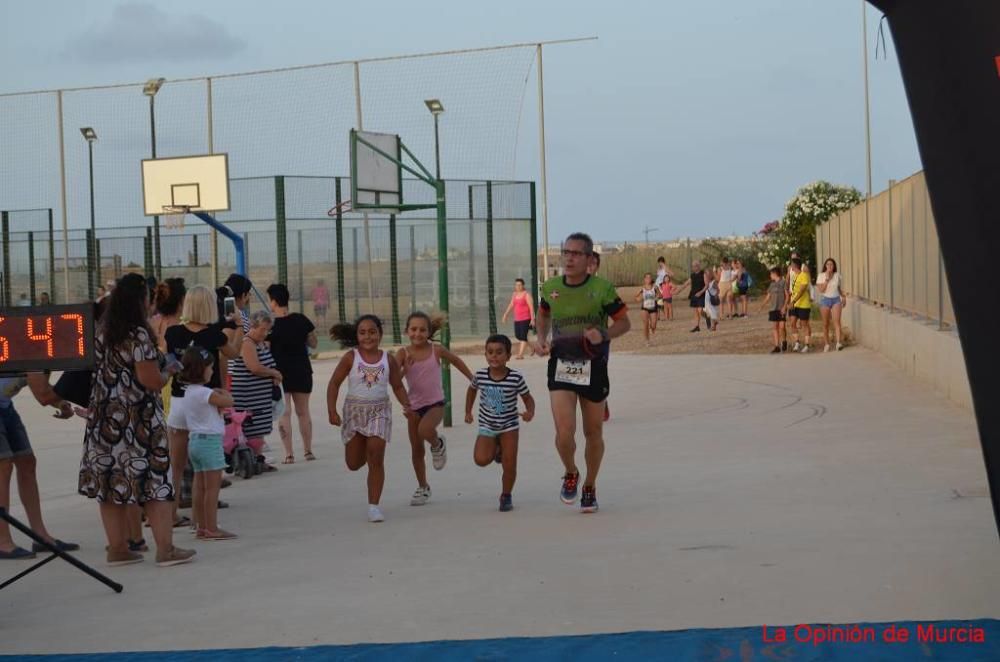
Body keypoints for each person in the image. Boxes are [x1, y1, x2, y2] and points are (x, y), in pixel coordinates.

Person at [78, 273, 195, 567]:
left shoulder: (101, 331)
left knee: (109, 481)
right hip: (138, 420)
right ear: (141, 301)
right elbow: (150, 380)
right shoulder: (139, 335)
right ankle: (165, 549)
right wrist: (170, 371)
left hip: (104, 418)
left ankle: (117, 548)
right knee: (155, 483)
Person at [532, 232, 630, 513]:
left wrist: (605, 334)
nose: (569, 258)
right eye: (566, 252)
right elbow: (544, 314)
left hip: (593, 365)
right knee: (564, 432)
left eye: (576, 253)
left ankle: (590, 485)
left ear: (589, 259)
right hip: (561, 365)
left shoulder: (602, 289)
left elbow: (624, 323)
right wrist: (541, 338)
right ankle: (571, 471)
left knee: (593, 432)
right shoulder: (550, 287)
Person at [165, 285, 242, 521]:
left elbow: (168, 361)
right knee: (206, 463)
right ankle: (204, 518)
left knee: (175, 465)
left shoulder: (173, 333)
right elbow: (234, 354)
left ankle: (170, 513)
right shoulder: (214, 335)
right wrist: (238, 327)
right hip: (206, 401)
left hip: (180, 399)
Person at [327, 315, 411, 523]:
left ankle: (374, 506)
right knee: (354, 463)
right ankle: (363, 446)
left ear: (380, 335)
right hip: (354, 413)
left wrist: (407, 405)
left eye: (372, 332)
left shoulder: (388, 359)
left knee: (377, 457)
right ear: (357, 335)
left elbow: (397, 386)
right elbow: (334, 384)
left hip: (379, 412)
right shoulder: (350, 357)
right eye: (363, 332)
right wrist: (332, 410)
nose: (368, 336)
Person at [396, 312, 473, 506]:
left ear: (429, 332)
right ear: (406, 331)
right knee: (416, 449)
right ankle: (423, 487)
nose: (418, 333)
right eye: (413, 329)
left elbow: (455, 360)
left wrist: (472, 378)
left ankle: (438, 444)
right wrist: (404, 370)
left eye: (423, 329)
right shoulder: (402, 353)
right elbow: (393, 379)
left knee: (425, 430)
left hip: (435, 404)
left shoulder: (436, 350)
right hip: (413, 407)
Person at [1, 374, 79, 559]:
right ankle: (3, 541)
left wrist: (59, 403)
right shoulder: (32, 347)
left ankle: (40, 535)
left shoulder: (40, 350)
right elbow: (42, 393)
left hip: (5, 406)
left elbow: (40, 383)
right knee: (3, 465)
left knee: (27, 462)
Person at [171, 346, 237, 540]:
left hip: (195, 442)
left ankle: (199, 524)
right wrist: (222, 393)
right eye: (210, 368)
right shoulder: (204, 393)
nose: (212, 371)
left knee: (199, 486)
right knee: (212, 488)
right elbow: (229, 401)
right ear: (201, 370)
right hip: (209, 443)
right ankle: (211, 527)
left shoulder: (189, 392)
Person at [465, 334, 535, 512]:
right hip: (487, 425)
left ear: (508, 356)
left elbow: (528, 398)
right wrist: (468, 411)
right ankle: (496, 450)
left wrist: (529, 412)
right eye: (490, 352)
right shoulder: (480, 375)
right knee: (480, 460)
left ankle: (506, 495)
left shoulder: (515, 378)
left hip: (509, 426)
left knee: (510, 463)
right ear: (485, 355)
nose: (494, 356)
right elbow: (471, 390)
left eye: (499, 352)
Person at [267, 283, 318, 463]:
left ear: (273, 301)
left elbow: (265, 348)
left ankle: (289, 454)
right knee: (303, 412)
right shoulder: (301, 320)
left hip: (279, 373)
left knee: (284, 413)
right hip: (301, 369)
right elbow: (313, 343)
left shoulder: (270, 325)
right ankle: (308, 450)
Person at [229, 310, 281, 463]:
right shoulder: (247, 343)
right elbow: (254, 367)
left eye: (268, 329)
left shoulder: (261, 343)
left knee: (259, 429)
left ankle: (258, 459)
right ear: (253, 326)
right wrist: (274, 373)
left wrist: (272, 376)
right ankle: (251, 460)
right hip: (248, 396)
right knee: (252, 429)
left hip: (260, 396)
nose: (265, 333)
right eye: (262, 329)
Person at [588, 251, 612, 423]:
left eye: (593, 263)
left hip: (600, 338)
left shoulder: (605, 287)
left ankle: (602, 402)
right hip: (578, 338)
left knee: (598, 373)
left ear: (597, 266)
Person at [500, 278, 535, 360]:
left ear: (523, 286)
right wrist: (505, 314)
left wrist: (532, 319)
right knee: (518, 336)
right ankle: (532, 348)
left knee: (523, 336)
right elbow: (511, 304)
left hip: (526, 318)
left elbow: (531, 307)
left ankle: (520, 354)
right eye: (516, 285)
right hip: (517, 319)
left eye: (519, 285)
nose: (518, 286)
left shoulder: (526, 295)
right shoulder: (514, 294)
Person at [817, 258, 846, 352]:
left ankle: (838, 343)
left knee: (837, 322)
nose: (830, 266)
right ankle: (827, 344)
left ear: (834, 266)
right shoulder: (821, 276)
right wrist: (827, 279)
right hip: (825, 300)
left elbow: (838, 288)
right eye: (828, 264)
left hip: (836, 299)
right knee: (825, 324)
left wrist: (843, 296)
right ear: (825, 266)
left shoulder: (837, 275)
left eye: (832, 264)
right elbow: (821, 290)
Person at [758, 267, 788, 353]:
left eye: (771, 274)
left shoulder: (783, 282)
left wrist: (784, 306)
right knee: (775, 327)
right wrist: (762, 306)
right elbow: (768, 297)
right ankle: (777, 346)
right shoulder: (771, 285)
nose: (770, 275)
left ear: (775, 273)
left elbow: (787, 296)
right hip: (773, 308)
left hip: (781, 308)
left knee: (782, 327)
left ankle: (784, 341)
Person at [787, 257, 813, 353]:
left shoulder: (804, 275)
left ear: (795, 265)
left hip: (803, 304)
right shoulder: (794, 275)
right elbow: (792, 290)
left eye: (791, 265)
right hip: (794, 304)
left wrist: (793, 301)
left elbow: (802, 290)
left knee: (804, 324)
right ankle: (797, 342)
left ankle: (807, 344)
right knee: (792, 323)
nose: (790, 267)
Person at [677, 260, 707, 332]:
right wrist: (678, 290)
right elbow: (686, 284)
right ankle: (697, 326)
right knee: (696, 311)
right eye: (693, 266)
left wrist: (701, 292)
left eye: (696, 265)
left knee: (700, 310)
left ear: (699, 266)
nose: (694, 267)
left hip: (701, 294)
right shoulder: (692, 275)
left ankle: (707, 317)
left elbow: (707, 285)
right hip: (693, 295)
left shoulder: (703, 274)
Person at [634, 273, 659, 345]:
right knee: (646, 324)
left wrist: (657, 297)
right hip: (644, 308)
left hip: (653, 307)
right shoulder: (642, 288)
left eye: (650, 278)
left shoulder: (655, 287)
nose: (648, 279)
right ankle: (647, 340)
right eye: (647, 278)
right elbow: (635, 297)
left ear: (651, 279)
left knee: (653, 325)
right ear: (644, 279)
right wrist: (638, 299)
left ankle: (652, 328)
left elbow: (660, 295)